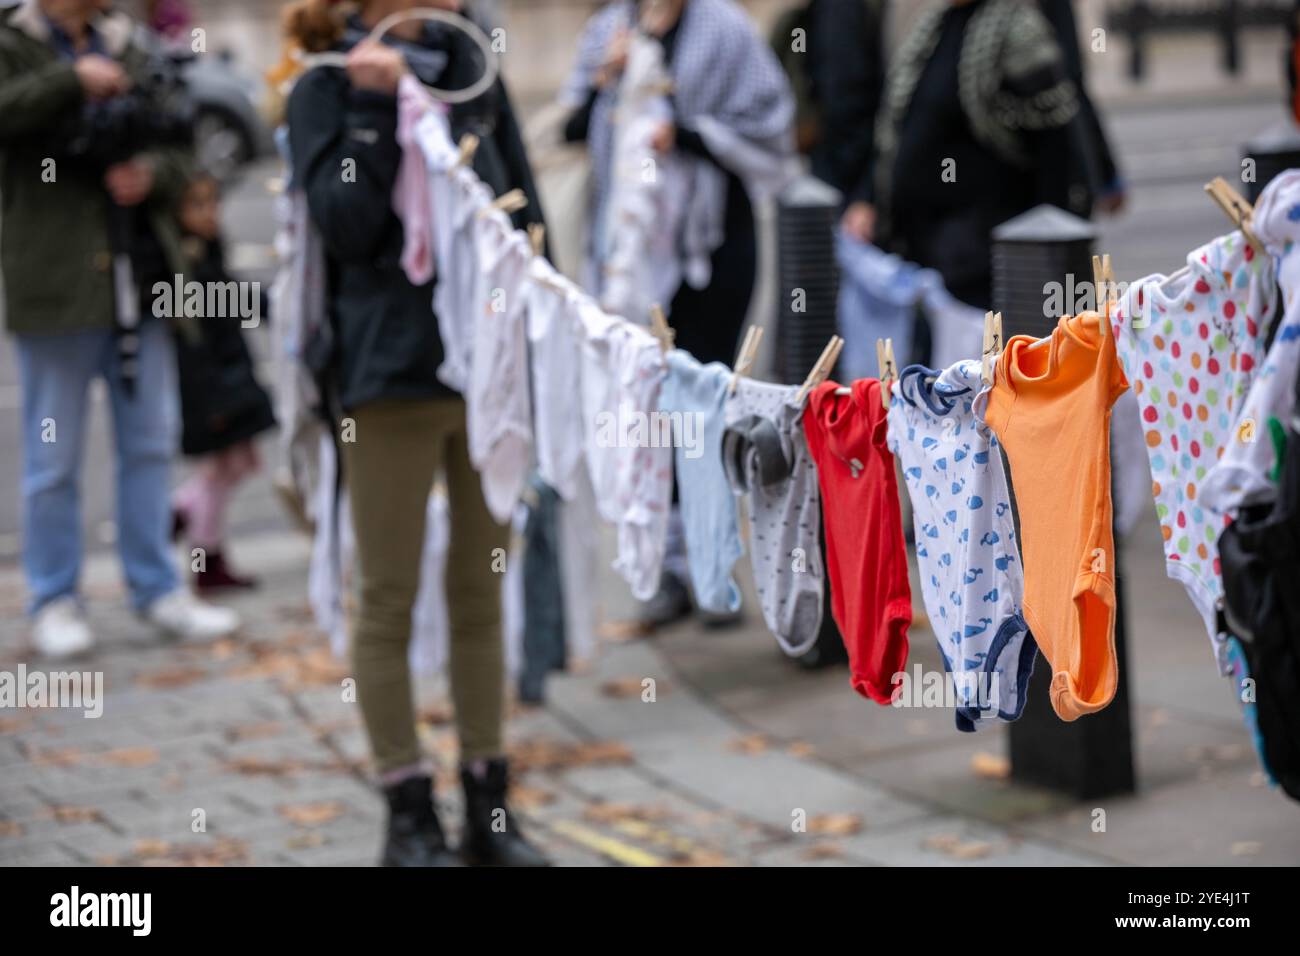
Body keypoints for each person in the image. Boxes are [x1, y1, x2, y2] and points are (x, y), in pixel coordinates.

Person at [279, 0, 548, 867]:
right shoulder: (326, 84)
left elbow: (525, 222)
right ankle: (407, 814)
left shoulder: (469, 69)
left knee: (480, 591)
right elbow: (344, 223)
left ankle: (488, 808)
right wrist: (371, 110)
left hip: (486, 373)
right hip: (385, 375)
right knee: (388, 597)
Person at [0, 0, 240, 659]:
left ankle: (157, 589)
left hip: (140, 277)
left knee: (150, 443)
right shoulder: (11, 41)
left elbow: (176, 141)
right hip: (55, 285)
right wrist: (71, 82)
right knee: (52, 459)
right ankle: (53, 599)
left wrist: (148, 175)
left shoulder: (128, 41)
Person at [560, 0, 795, 628]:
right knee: (650, 403)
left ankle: (715, 562)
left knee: (710, 399)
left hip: (714, 246)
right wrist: (606, 80)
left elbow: (770, 125)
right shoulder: (610, 28)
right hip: (635, 253)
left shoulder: (725, 30)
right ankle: (667, 567)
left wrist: (686, 133)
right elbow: (574, 127)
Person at [842, 0, 1081, 311]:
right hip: (925, 252)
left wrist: (1050, 254)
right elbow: (903, 129)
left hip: (981, 258)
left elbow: (1054, 144)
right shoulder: (935, 26)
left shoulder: (1017, 31)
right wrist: (869, 198)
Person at [170, 172, 276, 593]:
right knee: (218, 472)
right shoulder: (185, 265)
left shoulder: (207, 253)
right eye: (197, 205)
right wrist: (212, 402)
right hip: (213, 390)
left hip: (229, 380)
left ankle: (181, 518)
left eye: (212, 203)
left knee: (236, 466)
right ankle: (204, 557)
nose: (209, 213)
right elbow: (193, 344)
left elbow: (230, 298)